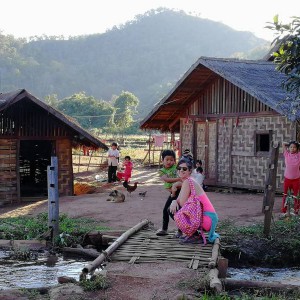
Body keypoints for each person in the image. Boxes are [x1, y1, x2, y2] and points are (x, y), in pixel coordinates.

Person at [169, 156, 219, 244]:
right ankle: (191, 233)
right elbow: (177, 200)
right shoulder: (188, 181)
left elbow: (182, 203)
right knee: (173, 207)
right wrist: (173, 201)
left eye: (184, 169)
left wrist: (174, 200)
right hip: (210, 218)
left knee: (174, 209)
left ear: (189, 171)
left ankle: (194, 235)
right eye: (179, 168)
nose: (181, 170)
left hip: (207, 219)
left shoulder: (188, 182)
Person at [156, 149, 182, 236]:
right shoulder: (162, 171)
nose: (169, 162)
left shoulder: (177, 167)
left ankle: (180, 230)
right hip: (173, 194)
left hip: (181, 192)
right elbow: (166, 179)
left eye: (171, 160)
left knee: (179, 211)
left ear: (174, 161)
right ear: (162, 160)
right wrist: (178, 179)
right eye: (167, 160)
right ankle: (164, 229)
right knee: (166, 210)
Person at [281, 141, 300, 214]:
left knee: (296, 196)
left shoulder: (299, 155)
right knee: (285, 195)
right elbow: (283, 144)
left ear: (297, 148)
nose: (292, 148)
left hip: (296, 179)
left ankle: (296, 211)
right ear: (288, 148)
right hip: (287, 179)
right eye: (291, 147)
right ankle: (284, 211)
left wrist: (298, 144)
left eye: (294, 147)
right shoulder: (286, 154)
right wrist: (290, 143)